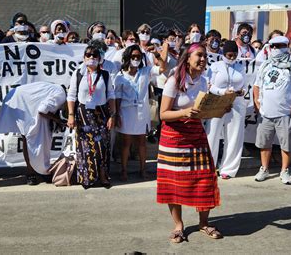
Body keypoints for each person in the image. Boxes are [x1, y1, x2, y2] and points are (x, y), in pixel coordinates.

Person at [157, 43, 222, 243]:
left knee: (204, 179)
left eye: (205, 56)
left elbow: (202, 110)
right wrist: (184, 112)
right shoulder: (174, 80)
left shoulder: (203, 81)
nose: (203, 59)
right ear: (187, 58)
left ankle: (204, 224)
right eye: (199, 55)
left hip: (196, 134)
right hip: (174, 138)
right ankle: (178, 226)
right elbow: (163, 114)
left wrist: (219, 108)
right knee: (174, 183)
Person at [253, 36, 291, 184]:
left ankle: (285, 170)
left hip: (285, 112)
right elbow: (256, 86)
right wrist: (258, 104)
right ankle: (264, 168)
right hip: (266, 113)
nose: (276, 49)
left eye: (280, 46)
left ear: (286, 46)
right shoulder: (265, 64)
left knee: (286, 144)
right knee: (264, 143)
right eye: (273, 46)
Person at [0, 82, 67, 185]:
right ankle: (31, 173)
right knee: (27, 137)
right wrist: (59, 121)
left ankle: (39, 171)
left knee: (29, 137)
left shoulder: (59, 91)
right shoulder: (61, 95)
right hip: (19, 103)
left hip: (20, 101)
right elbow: (42, 110)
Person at [115, 43, 167, 181]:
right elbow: (118, 97)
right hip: (126, 113)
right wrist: (117, 114)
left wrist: (156, 54)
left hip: (141, 113)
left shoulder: (146, 71)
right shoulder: (120, 76)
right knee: (126, 143)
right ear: (127, 57)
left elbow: (162, 68)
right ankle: (124, 170)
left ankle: (143, 170)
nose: (136, 59)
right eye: (133, 56)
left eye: (138, 57)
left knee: (141, 143)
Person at [66, 44, 117, 189]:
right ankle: (87, 178)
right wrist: (70, 115)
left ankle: (103, 176)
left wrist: (112, 115)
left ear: (100, 59)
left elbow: (111, 95)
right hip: (83, 114)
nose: (91, 58)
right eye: (88, 55)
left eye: (95, 55)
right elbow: (71, 95)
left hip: (101, 114)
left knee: (101, 145)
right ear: (83, 58)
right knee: (85, 146)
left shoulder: (105, 75)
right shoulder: (78, 73)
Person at [205, 41, 248, 179]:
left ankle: (228, 169)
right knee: (212, 135)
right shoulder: (215, 66)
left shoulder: (240, 67)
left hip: (236, 104)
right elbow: (209, 86)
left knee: (234, 136)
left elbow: (246, 85)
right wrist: (222, 92)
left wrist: (241, 92)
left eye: (235, 55)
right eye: (229, 55)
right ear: (223, 54)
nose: (232, 58)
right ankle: (209, 168)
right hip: (218, 102)